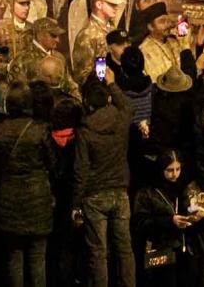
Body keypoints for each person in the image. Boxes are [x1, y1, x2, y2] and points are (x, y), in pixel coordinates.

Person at [74, 73, 136, 287]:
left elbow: (81, 170)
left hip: (94, 195)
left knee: (98, 252)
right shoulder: (121, 120)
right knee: (125, 249)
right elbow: (128, 106)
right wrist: (112, 83)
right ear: (108, 99)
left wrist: (75, 203)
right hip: (120, 191)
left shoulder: (85, 131)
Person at [0, 82, 57, 287]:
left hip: (9, 196)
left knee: (14, 256)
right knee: (38, 257)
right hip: (37, 197)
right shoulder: (40, 130)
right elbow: (52, 162)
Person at [131, 149, 203, 287]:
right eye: (170, 170)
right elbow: (140, 223)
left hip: (184, 253)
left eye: (178, 169)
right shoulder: (148, 192)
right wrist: (169, 221)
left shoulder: (186, 189)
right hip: (161, 255)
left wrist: (195, 218)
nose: (175, 174)